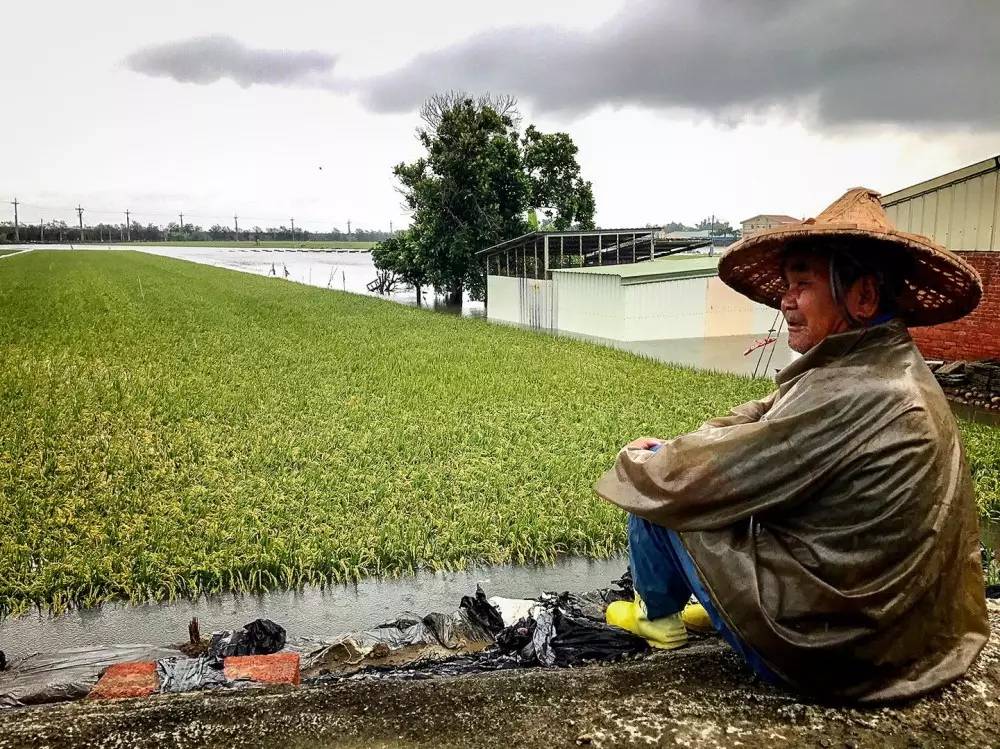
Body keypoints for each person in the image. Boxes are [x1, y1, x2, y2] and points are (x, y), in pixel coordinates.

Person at [596, 188, 988, 702]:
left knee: (658, 486)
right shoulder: (880, 364)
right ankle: (709, 600)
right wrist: (697, 441)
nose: (784, 301)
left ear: (863, 296)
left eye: (802, 284)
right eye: (786, 285)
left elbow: (693, 479)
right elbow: (766, 410)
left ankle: (658, 619)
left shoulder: (850, 389)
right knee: (682, 466)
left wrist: (645, 457)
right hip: (906, 644)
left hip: (830, 652)